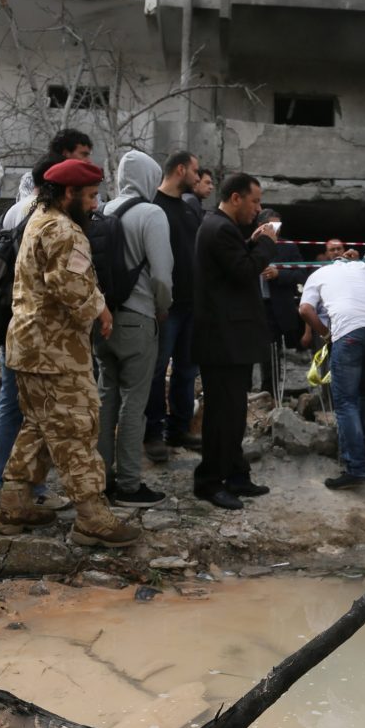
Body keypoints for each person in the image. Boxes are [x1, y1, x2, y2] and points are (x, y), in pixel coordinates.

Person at [0, 158, 140, 546]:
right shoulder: (63, 229)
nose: (96, 204)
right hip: (54, 351)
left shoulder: (38, 218)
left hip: (30, 347)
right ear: (69, 193)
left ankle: (14, 502)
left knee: (40, 426)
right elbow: (69, 285)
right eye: (91, 197)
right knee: (77, 427)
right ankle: (92, 516)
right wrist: (101, 308)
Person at [192, 172, 278, 510]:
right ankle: (209, 482)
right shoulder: (219, 228)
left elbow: (236, 264)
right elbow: (243, 271)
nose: (258, 209)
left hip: (230, 340)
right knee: (221, 415)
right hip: (222, 341)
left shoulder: (223, 228)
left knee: (233, 411)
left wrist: (254, 242)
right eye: (255, 201)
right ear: (236, 198)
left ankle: (236, 474)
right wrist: (267, 244)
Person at [95, 150, 173, 507]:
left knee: (105, 398)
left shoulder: (102, 209)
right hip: (138, 318)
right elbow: (161, 275)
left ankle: (100, 480)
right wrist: (162, 310)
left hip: (101, 319)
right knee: (134, 404)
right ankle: (129, 485)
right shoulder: (151, 213)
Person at [0, 155, 60, 507]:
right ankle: (27, 488)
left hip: (10, 317)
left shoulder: (15, 210)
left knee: (9, 401)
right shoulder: (46, 216)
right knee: (35, 409)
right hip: (35, 324)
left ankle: (3, 478)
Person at [299, 258, 365, 490]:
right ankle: (360, 451)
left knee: (345, 402)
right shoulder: (362, 267)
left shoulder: (317, 274)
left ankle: (356, 468)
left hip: (350, 331)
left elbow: (304, 309)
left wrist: (325, 334)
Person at [144, 150, 201, 462]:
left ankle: (179, 429)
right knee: (156, 370)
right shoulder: (153, 207)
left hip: (192, 305)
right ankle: (152, 433)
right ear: (181, 170)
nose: (198, 176)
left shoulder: (190, 210)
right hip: (165, 307)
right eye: (195, 171)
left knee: (187, 370)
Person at [256, 208, 305, 400]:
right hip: (255, 305)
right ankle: (257, 394)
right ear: (261, 226)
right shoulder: (251, 246)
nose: (276, 230)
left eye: (278, 226)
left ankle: (273, 393)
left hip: (277, 307)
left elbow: (302, 273)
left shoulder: (288, 247)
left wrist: (279, 274)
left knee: (274, 352)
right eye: (272, 226)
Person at [16, 128, 94, 201]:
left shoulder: (85, 181)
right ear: (66, 153)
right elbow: (27, 209)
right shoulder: (32, 178)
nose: (88, 161)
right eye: (84, 155)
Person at [183, 166, 215, 231]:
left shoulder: (186, 197)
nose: (211, 187)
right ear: (196, 182)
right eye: (207, 183)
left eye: (211, 183)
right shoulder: (191, 201)